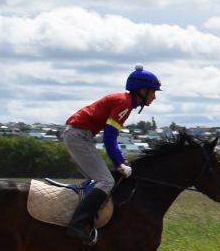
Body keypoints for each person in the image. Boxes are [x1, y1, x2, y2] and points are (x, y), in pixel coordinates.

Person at [59, 66, 161, 241]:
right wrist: (120, 162)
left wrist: (120, 161)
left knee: (99, 180)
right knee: (106, 181)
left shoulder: (124, 101)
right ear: (143, 91)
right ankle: (77, 224)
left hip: (77, 134)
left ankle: (85, 219)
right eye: (153, 92)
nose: (155, 96)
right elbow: (109, 137)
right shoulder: (125, 104)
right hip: (79, 136)